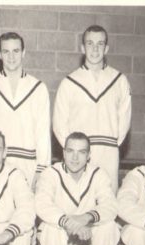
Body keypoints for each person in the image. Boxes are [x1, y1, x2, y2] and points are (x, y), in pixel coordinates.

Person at [35, 132, 119, 245]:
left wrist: (85, 218)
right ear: (63, 153)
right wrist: (70, 223)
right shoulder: (51, 173)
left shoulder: (98, 174)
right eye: (70, 151)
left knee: (110, 227)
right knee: (49, 228)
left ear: (88, 156)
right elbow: (41, 204)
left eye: (81, 152)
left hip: (88, 243)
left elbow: (111, 206)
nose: (75, 157)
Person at [53, 25, 131, 192]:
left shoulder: (119, 80)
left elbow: (124, 119)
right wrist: (73, 151)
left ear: (106, 48)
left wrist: (111, 145)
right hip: (78, 152)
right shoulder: (69, 82)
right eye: (90, 43)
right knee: (78, 199)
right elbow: (59, 123)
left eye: (100, 44)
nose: (95, 49)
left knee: (107, 201)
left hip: (108, 152)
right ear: (82, 48)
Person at [0, 32, 50, 190]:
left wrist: (42, 169)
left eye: (16, 51)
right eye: (6, 51)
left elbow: (42, 133)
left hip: (28, 165)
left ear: (24, 52)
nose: (11, 57)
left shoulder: (38, 88)